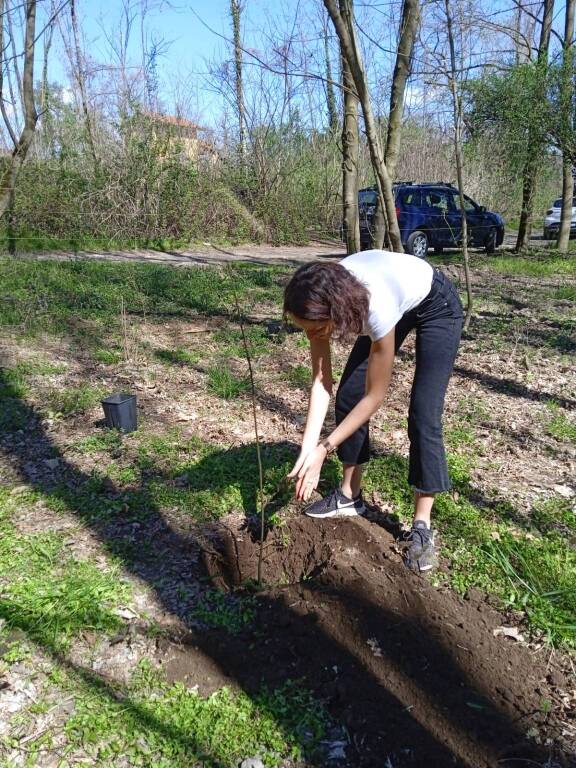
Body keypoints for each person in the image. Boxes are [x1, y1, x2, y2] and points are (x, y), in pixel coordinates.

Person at [283, 249, 464, 573]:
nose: (311, 336)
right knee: (348, 394)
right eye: (305, 329)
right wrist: (307, 449)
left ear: (335, 312)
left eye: (315, 329)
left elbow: (375, 396)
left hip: (436, 304)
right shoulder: (319, 298)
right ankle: (349, 495)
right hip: (393, 297)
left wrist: (325, 448)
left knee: (423, 413)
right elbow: (321, 383)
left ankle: (422, 524)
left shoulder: (375, 307)